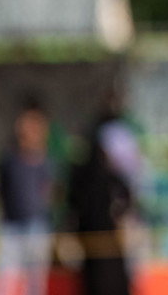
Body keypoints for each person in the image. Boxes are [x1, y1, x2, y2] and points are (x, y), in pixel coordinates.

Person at [0, 103, 54, 295]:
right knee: (4, 281)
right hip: (11, 227)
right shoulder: (8, 159)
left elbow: (48, 192)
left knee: (35, 283)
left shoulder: (44, 161)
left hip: (36, 226)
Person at [67, 123, 134, 295]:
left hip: (95, 245)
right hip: (105, 244)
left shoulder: (82, 176)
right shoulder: (108, 176)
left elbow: (72, 205)